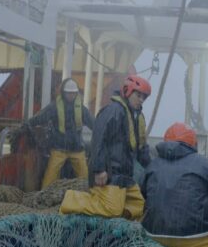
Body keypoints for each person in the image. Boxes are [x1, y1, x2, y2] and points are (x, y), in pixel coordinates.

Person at [60, 75, 152, 220]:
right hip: (110, 173)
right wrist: (99, 169)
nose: (141, 99)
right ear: (128, 91)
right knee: (112, 209)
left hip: (124, 175)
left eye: (144, 97)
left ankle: (112, 224)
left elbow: (141, 148)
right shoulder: (113, 111)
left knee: (138, 205)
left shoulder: (136, 118)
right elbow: (98, 138)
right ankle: (71, 199)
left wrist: (153, 168)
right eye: (138, 95)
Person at [26, 78, 94, 189]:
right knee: (50, 177)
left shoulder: (81, 109)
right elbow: (40, 117)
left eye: (73, 93)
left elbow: (93, 123)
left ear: (76, 93)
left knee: (84, 177)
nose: (71, 95)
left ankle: (87, 195)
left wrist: (102, 132)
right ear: (64, 93)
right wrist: (28, 123)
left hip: (77, 149)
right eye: (69, 93)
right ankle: (43, 196)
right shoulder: (54, 107)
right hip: (58, 149)